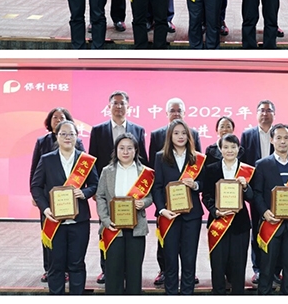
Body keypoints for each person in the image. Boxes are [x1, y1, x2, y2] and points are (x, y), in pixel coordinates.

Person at [30, 120, 98, 294]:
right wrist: (45, 209)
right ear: (57, 136)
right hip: (54, 220)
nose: (68, 137)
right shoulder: (47, 160)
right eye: (63, 134)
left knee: (77, 264)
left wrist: (84, 193)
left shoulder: (85, 160)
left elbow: (95, 184)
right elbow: (36, 186)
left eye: (71, 134)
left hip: (79, 221)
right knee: (56, 265)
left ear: (77, 137)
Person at [89, 90, 148, 284]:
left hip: (133, 195)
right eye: (115, 103)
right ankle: (106, 269)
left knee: (132, 253)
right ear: (109, 106)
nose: (119, 106)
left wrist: (144, 197)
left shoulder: (138, 129)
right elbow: (93, 160)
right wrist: (96, 189)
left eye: (122, 103)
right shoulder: (98, 130)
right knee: (108, 232)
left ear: (128, 107)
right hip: (108, 191)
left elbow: (144, 161)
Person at [149, 97, 202, 287]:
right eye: (176, 133)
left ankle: (187, 293)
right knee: (170, 260)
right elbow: (156, 186)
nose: (180, 136)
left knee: (189, 259)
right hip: (168, 214)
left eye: (184, 133)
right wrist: (162, 209)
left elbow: (204, 182)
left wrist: (195, 185)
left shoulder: (196, 158)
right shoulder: (160, 157)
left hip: (192, 215)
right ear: (170, 136)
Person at [252, 123, 288, 295]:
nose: (282, 141)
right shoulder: (262, 164)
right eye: (278, 138)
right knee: (267, 266)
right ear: (272, 140)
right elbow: (256, 193)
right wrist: (264, 212)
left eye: (286, 137)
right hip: (271, 223)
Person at [29, 107, 85, 283]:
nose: (59, 120)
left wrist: (84, 192)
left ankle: (68, 272)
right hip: (51, 204)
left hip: (75, 208)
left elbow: (89, 176)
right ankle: (50, 269)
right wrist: (38, 199)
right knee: (52, 243)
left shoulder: (80, 149)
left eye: (62, 117)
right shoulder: (43, 145)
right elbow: (35, 173)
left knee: (75, 252)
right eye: (55, 117)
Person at [96, 133, 154, 294]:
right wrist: (105, 220)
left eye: (130, 148)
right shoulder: (107, 171)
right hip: (113, 228)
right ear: (116, 150)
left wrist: (144, 202)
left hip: (137, 228)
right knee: (113, 270)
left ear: (136, 150)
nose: (126, 152)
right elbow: (100, 196)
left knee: (134, 271)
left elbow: (150, 196)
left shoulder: (145, 173)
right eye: (121, 148)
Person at [202, 133, 254, 294]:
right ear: (220, 149)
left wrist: (246, 187)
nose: (229, 150)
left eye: (233, 147)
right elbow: (206, 196)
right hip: (218, 223)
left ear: (239, 149)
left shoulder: (247, 170)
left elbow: (252, 197)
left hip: (240, 225)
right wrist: (215, 211)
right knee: (218, 265)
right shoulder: (211, 169)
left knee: (238, 266)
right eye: (225, 147)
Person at [240, 100, 276, 286]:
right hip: (255, 191)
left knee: (277, 230)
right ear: (256, 113)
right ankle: (258, 269)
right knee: (257, 230)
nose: (265, 113)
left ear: (274, 114)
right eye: (262, 110)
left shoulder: (279, 133)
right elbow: (243, 162)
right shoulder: (247, 135)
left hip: (277, 192)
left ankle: (275, 270)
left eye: (269, 110)